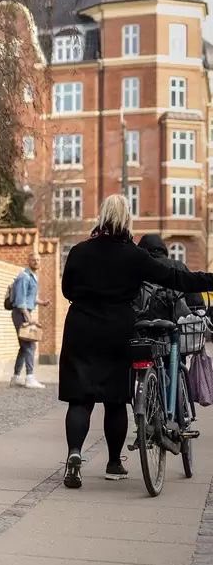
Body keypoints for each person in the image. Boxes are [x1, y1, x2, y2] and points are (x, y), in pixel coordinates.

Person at [59, 194, 213, 488]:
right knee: (116, 400)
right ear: (127, 220)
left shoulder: (79, 252)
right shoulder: (135, 256)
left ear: (100, 217)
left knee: (80, 399)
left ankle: (74, 455)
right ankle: (114, 463)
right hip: (118, 329)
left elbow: (67, 289)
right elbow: (177, 279)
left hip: (81, 328)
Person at [10, 252, 51, 389]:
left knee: (24, 346)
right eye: (33, 260)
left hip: (24, 312)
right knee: (30, 345)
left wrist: (42, 302)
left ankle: (15, 377)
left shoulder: (33, 277)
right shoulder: (24, 277)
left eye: (38, 260)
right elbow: (21, 301)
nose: (36, 262)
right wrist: (29, 319)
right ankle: (30, 377)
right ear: (28, 261)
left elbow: (30, 298)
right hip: (21, 313)